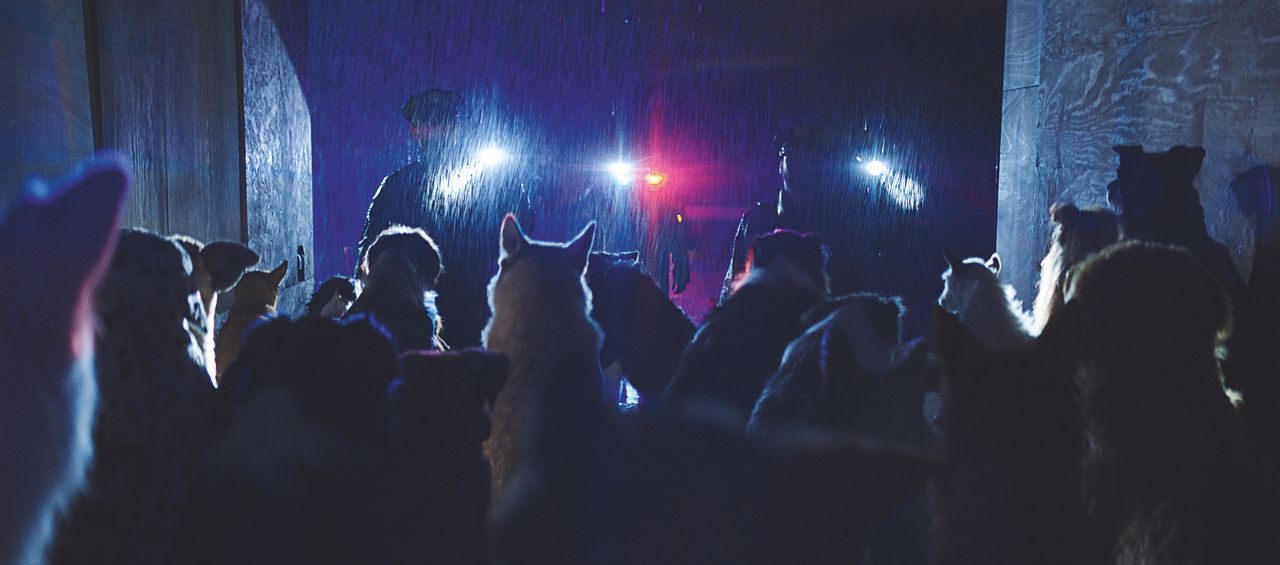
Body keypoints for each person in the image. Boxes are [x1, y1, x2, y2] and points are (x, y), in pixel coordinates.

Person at [357, 89, 534, 349]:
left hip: (456, 314)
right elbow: (370, 250)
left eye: (441, 123)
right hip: (429, 318)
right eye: (427, 125)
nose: (434, 132)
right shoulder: (399, 185)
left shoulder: (494, 181)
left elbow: (369, 253)